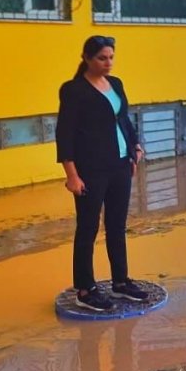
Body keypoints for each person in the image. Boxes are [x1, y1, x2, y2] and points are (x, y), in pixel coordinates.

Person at [56, 35, 149, 312]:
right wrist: (72, 175)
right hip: (91, 170)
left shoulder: (115, 84)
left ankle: (121, 282)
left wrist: (135, 147)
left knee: (117, 226)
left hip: (120, 165)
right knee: (87, 228)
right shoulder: (73, 90)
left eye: (111, 57)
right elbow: (65, 133)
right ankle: (85, 288)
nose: (108, 63)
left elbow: (123, 119)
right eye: (101, 58)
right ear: (86, 58)